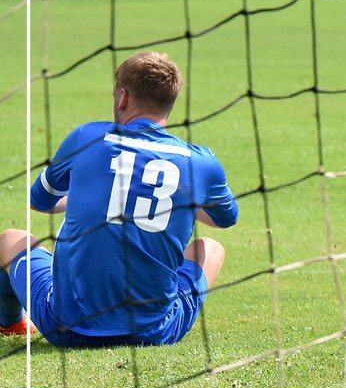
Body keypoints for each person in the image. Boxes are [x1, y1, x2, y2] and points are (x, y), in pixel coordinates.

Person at [0, 51, 238, 347]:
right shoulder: (202, 163)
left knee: (10, 239)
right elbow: (223, 220)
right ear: (171, 102)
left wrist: (91, 196)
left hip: (65, 328)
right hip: (155, 332)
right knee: (209, 248)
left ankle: (11, 322)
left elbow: (41, 201)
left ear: (123, 97)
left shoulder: (86, 137)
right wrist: (179, 197)